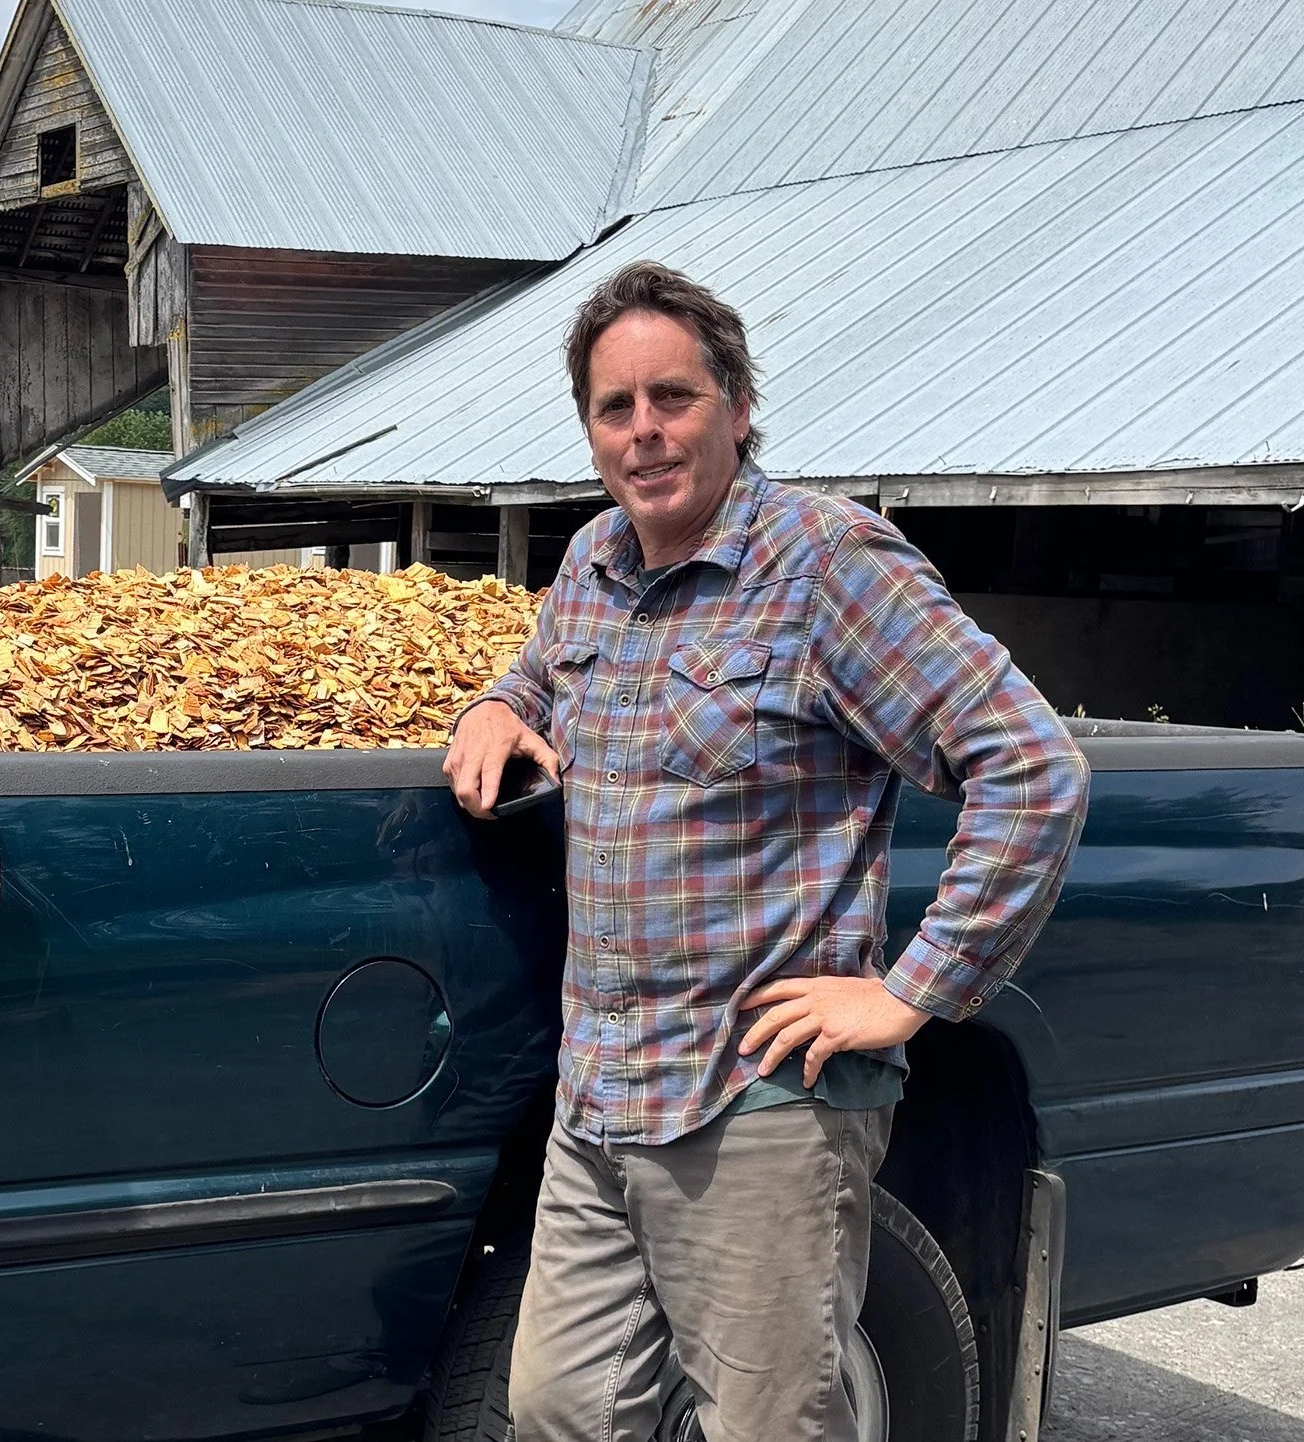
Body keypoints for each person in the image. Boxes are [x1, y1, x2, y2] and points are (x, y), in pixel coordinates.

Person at [442, 262, 1089, 1442]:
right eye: (613, 406)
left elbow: (1032, 766)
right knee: (558, 1409)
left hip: (754, 1100)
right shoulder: (590, 565)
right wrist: (492, 705)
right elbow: (538, 677)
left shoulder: (827, 567)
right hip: (602, 1092)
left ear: (737, 406)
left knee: (769, 1421)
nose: (643, 432)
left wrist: (911, 991)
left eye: (672, 398)